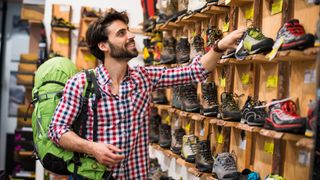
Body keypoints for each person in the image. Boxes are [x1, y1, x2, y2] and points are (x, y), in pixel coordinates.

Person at [48, 8, 246, 179]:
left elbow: (195, 71)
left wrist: (220, 46)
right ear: (103, 46)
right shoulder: (81, 83)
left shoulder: (143, 77)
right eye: (121, 33)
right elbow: (57, 130)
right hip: (93, 175)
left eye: (128, 30)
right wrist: (92, 148)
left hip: (135, 175)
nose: (131, 36)